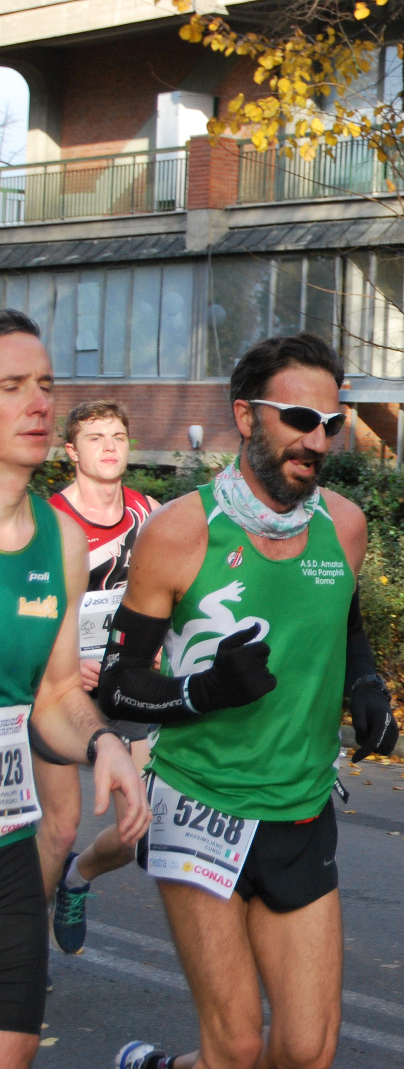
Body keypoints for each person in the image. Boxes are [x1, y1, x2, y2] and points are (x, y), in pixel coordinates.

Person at [101, 333, 397, 1069]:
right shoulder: (179, 532)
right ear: (244, 415)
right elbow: (117, 682)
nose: (317, 439)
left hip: (299, 808)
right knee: (235, 1047)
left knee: (304, 1050)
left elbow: (342, 616)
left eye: (331, 423)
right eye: (299, 417)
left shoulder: (345, 527)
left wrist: (365, 678)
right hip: (201, 804)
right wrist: (201, 691)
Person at [0, 309, 150, 1069]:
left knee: (16, 1046)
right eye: (12, 386)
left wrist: (104, 746)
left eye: (45, 385)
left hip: (6, 841)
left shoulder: (56, 539)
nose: (37, 402)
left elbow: (56, 690)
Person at [33, 400, 158, 956]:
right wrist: (59, 659)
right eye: (94, 438)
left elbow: (172, 595)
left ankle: (77, 879)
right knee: (59, 829)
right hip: (59, 690)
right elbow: (23, 612)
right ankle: (21, 950)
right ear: (70, 452)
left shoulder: (149, 514)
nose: (108, 446)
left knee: (141, 824)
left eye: (117, 435)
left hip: (124, 684)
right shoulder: (46, 523)